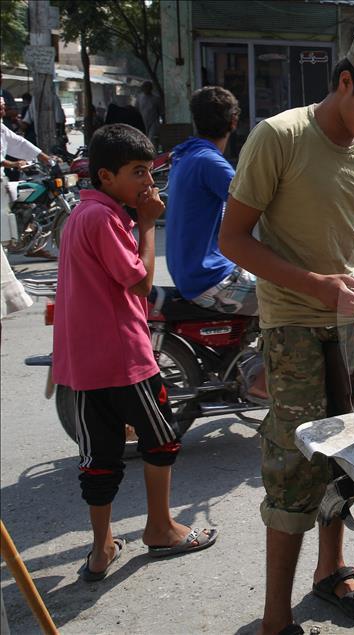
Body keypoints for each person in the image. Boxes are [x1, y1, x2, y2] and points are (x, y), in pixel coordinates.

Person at [219, 31, 354, 634]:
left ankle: (330, 571)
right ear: (344, 82)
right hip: (295, 326)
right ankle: (275, 619)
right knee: (295, 462)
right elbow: (233, 239)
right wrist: (319, 286)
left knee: (353, 450)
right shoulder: (279, 137)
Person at [52, 123, 219, 583]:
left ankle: (101, 548)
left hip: (84, 365)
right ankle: (161, 528)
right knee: (160, 440)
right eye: (138, 173)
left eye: (149, 172)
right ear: (106, 177)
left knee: (99, 456)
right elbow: (141, 282)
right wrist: (147, 224)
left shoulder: (81, 216)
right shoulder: (106, 219)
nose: (148, 183)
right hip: (124, 359)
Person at [164, 86, 267, 399]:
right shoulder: (212, 164)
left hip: (189, 268)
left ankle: (238, 355)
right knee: (290, 298)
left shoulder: (185, 155)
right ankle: (263, 380)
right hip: (208, 276)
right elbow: (255, 205)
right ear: (234, 121)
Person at [1, 96, 53, 245]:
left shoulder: (1, 127)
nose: (4, 110)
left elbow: (19, 142)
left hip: (2, 179)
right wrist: (14, 164)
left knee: (27, 198)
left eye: (4, 106)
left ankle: (29, 241)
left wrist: (44, 157)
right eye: (1, 107)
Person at [137, 81, 163, 146]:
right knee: (142, 140)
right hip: (142, 122)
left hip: (153, 123)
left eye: (147, 87)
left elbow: (161, 112)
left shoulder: (156, 99)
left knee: (152, 141)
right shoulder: (140, 98)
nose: (146, 89)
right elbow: (136, 109)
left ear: (151, 88)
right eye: (144, 87)